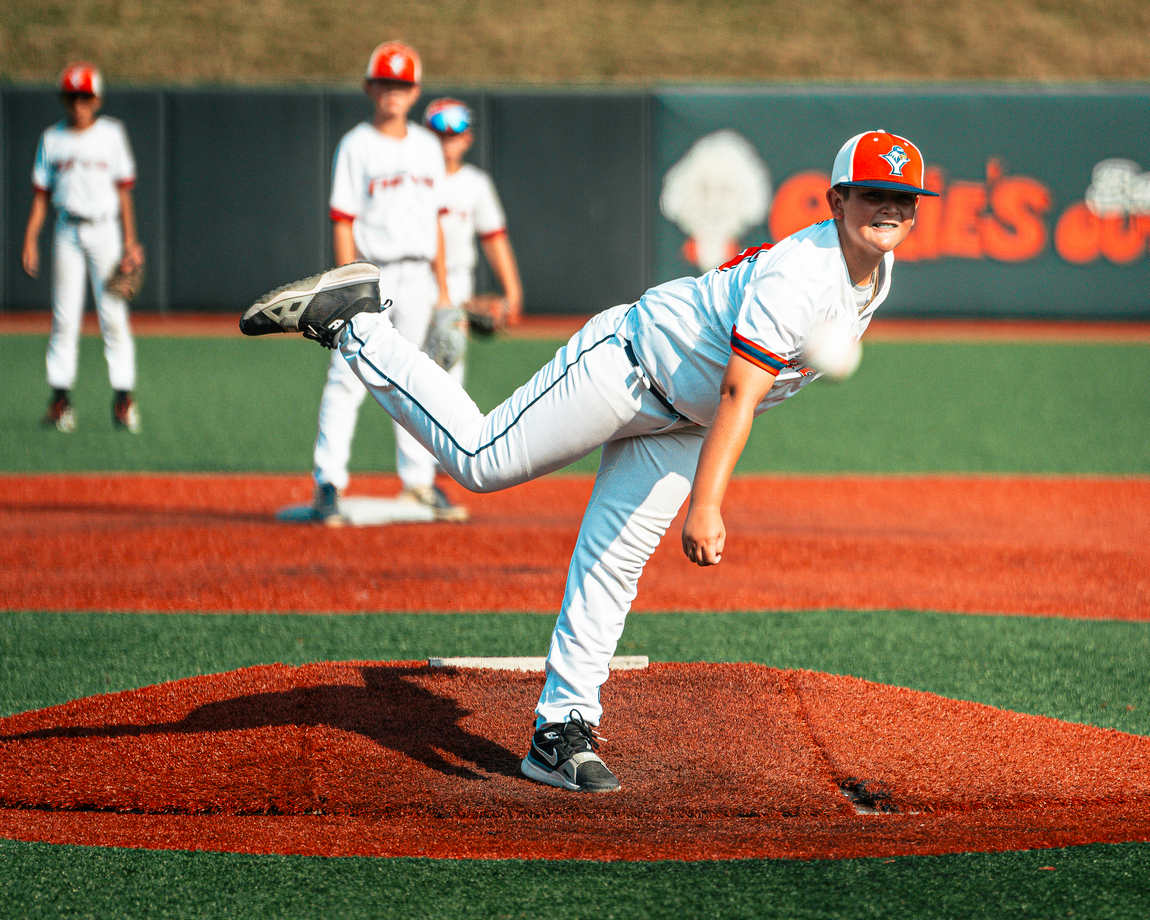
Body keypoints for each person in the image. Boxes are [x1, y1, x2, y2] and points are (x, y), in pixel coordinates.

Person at [241, 130, 939, 793]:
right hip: (626, 366)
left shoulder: (875, 272)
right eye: (872, 193)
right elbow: (739, 392)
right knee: (481, 460)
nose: (890, 209)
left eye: (904, 198)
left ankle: (560, 732)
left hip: (681, 420)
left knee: (614, 563)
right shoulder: (801, 274)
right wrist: (706, 505)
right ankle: (356, 321)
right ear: (836, 200)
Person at [310, 41, 466, 525]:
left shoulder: (427, 147)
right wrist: (346, 284)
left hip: (419, 274)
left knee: (416, 377)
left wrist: (443, 291)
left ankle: (418, 481)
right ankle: (328, 481)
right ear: (368, 87)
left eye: (401, 83)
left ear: (415, 91)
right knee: (346, 377)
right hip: (370, 274)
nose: (393, 91)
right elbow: (342, 220)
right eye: (384, 82)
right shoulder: (356, 144)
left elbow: (436, 222)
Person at [23, 61, 145, 433]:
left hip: (105, 231)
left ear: (97, 99)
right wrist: (30, 237)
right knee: (64, 318)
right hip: (67, 231)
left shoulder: (111, 134)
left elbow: (124, 192)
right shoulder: (52, 138)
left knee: (113, 316)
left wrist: (130, 242)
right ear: (65, 99)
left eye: (86, 96)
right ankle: (61, 400)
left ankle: (123, 399)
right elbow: (41, 196)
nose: (79, 103)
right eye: (73, 96)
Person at [423, 97, 523, 330]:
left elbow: (494, 238)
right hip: (417, 276)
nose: (446, 143)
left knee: (450, 349)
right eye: (440, 136)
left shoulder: (475, 182)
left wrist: (513, 292)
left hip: (458, 278)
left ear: (467, 139)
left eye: (453, 136)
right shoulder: (415, 178)